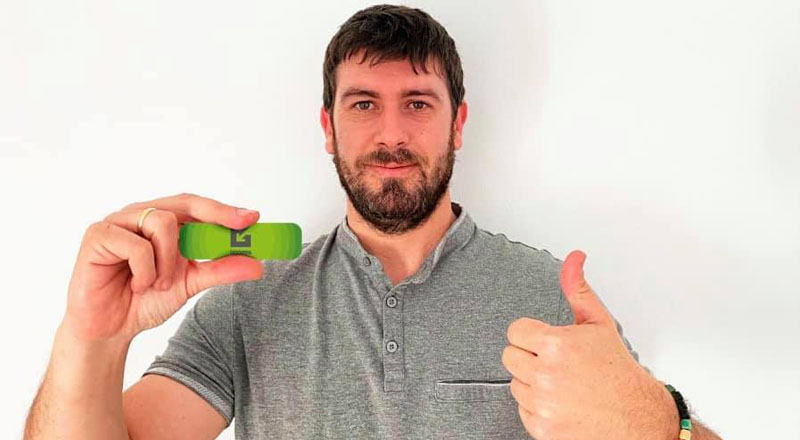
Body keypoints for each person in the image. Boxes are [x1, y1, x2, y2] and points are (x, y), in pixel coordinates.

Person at [23, 4, 722, 440]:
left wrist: (662, 427)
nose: (391, 134)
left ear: (458, 125)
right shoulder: (248, 299)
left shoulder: (550, 297)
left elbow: (654, 427)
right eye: (363, 104)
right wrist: (92, 338)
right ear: (328, 128)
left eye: (417, 103)